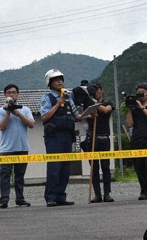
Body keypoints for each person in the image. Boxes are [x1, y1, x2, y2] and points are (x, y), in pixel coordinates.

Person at [40, 69, 85, 207]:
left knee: (65, 168)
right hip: (54, 136)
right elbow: (45, 116)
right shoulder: (47, 98)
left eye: (61, 79)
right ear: (50, 82)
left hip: (67, 135)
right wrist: (58, 103)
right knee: (55, 166)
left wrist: (88, 114)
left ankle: (60, 196)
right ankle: (51, 197)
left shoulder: (69, 97)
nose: (60, 81)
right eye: (56, 79)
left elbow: (77, 116)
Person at [0, 84, 35, 208]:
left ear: (18, 94)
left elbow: (32, 124)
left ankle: (20, 199)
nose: (11, 94)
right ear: (4, 95)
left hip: (22, 148)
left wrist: (18, 114)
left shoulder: (25, 109)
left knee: (20, 176)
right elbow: (1, 127)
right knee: (5, 176)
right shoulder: (0, 111)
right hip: (7, 149)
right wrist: (8, 112)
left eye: (13, 92)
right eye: (8, 92)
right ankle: (4, 200)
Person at [126, 83, 147, 200]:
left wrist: (142, 107)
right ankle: (143, 190)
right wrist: (130, 109)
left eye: (143, 92)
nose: (141, 94)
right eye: (138, 92)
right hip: (137, 139)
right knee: (139, 166)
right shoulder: (134, 108)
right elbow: (129, 124)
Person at [83, 83, 115, 203]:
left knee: (106, 167)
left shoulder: (108, 101)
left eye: (97, 90)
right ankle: (97, 194)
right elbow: (83, 115)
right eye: (93, 90)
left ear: (102, 90)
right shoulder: (88, 103)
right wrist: (91, 112)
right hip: (92, 137)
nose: (96, 92)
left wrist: (94, 104)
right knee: (94, 168)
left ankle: (107, 193)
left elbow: (106, 110)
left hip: (104, 138)